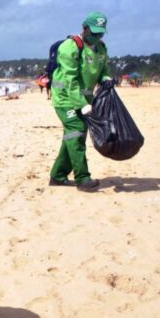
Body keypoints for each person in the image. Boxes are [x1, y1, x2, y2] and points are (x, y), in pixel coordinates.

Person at [49, 11, 114, 191]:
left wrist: (106, 78)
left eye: (100, 33)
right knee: (76, 132)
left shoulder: (101, 48)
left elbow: (103, 70)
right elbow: (70, 80)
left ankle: (58, 176)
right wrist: (82, 104)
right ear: (85, 29)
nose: (97, 36)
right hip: (65, 98)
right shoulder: (70, 47)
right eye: (94, 33)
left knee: (72, 136)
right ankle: (83, 179)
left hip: (85, 99)